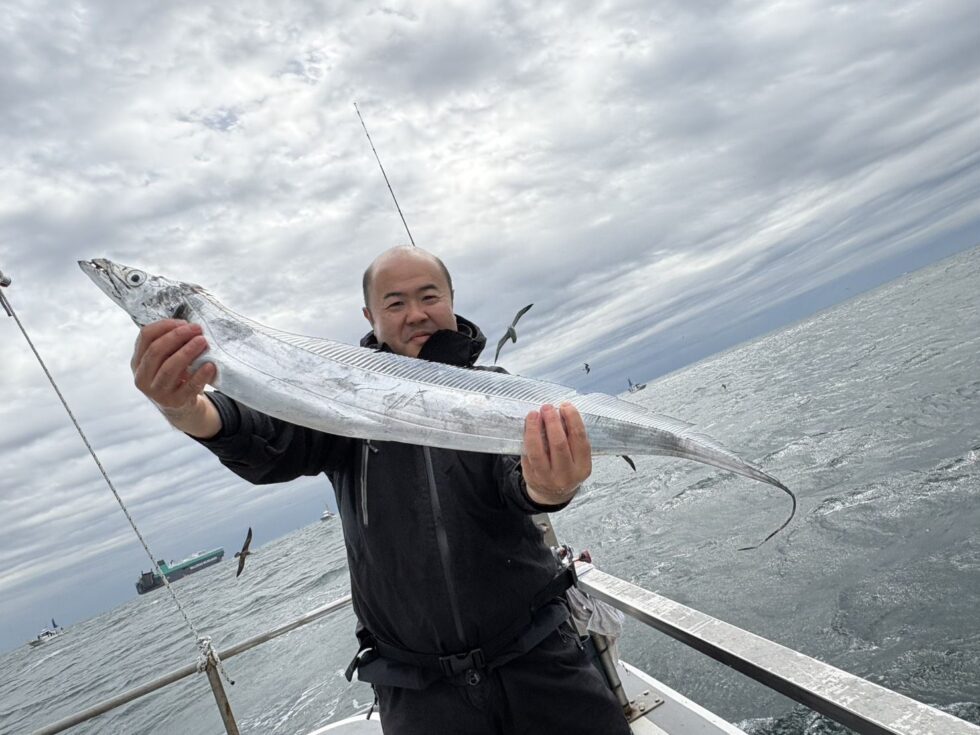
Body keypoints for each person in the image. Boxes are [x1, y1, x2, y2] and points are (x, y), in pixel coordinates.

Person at [130, 246, 631, 735]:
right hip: (420, 696)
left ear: (452, 300)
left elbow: (520, 483)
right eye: (395, 303)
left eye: (429, 296)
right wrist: (186, 410)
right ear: (371, 316)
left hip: (542, 662)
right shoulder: (336, 402)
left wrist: (550, 487)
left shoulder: (496, 392)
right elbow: (268, 438)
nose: (416, 314)